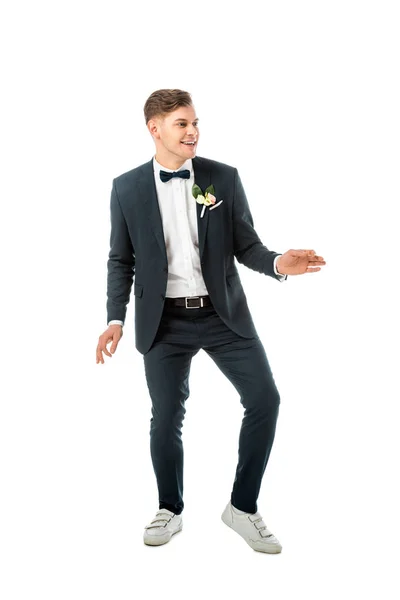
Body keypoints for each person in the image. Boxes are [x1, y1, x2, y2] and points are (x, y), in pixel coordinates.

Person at [96, 88, 326, 553]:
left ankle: (242, 507)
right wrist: (114, 318)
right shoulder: (126, 187)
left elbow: (249, 247)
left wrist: (281, 263)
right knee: (166, 419)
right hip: (163, 321)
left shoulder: (223, 177)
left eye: (195, 122)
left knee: (266, 399)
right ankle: (170, 509)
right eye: (181, 123)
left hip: (223, 315)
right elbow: (121, 259)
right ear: (154, 128)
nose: (193, 131)